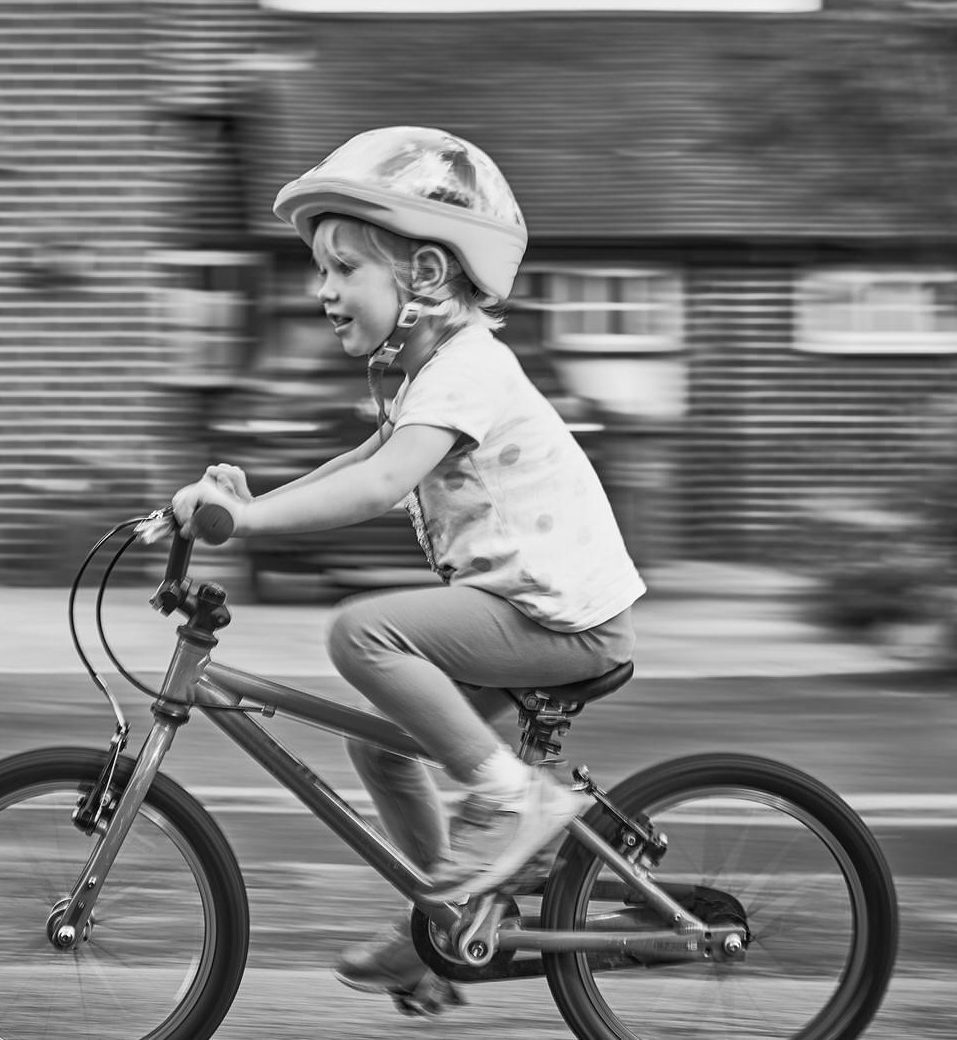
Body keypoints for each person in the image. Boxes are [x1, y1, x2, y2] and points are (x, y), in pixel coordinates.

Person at [170, 127, 645, 1012]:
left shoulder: (470, 369)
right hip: (528, 612)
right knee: (379, 744)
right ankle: (439, 931)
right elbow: (363, 459)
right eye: (321, 270)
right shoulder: (425, 378)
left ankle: (513, 802)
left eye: (344, 268)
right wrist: (242, 500)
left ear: (424, 276)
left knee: (363, 632)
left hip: (562, 620)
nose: (323, 290)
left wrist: (252, 522)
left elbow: (384, 483)